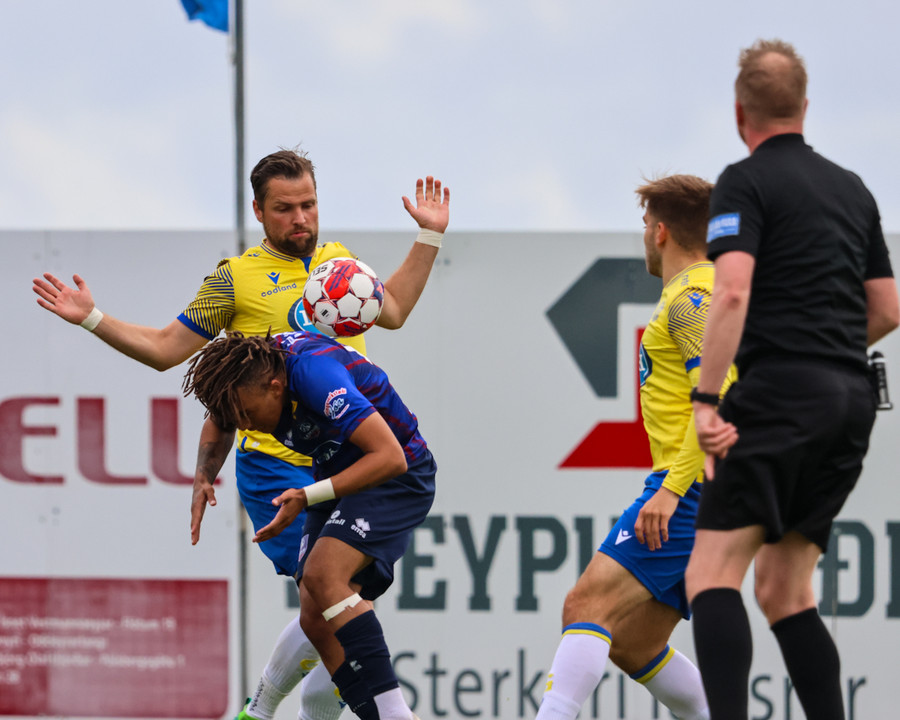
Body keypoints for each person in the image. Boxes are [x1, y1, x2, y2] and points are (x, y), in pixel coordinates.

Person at [31, 148, 450, 720]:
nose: (300, 219)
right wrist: (93, 318)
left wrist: (429, 236)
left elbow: (393, 309)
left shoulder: (339, 265)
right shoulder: (235, 279)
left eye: (308, 205)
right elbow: (164, 350)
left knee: (331, 605)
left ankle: (277, 709)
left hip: (347, 457)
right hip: (275, 463)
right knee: (325, 590)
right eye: (284, 209)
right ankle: (271, 708)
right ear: (258, 210)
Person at [686, 39, 900, 720]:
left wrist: (707, 399)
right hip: (850, 401)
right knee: (784, 589)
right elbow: (887, 308)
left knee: (710, 573)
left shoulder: (744, 181)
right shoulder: (852, 189)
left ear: (739, 113)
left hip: (779, 395)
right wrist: (826, 351)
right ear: (805, 106)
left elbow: (731, 291)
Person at [535, 174, 734, 720]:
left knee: (586, 605)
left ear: (662, 231)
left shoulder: (692, 298)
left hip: (691, 486)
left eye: (646, 225)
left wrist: (671, 490)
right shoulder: (702, 292)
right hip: (706, 487)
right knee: (634, 642)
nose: (644, 235)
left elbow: (720, 399)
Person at [182, 330, 433, 720]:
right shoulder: (249, 373)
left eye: (248, 414)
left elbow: (390, 457)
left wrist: (306, 495)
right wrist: (203, 476)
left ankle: (394, 715)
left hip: (395, 476)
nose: (245, 425)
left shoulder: (317, 378)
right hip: (337, 473)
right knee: (314, 613)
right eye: (238, 418)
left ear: (275, 387)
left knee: (323, 574)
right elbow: (223, 416)